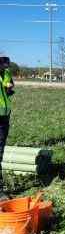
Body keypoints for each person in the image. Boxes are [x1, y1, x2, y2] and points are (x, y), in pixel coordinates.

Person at [0, 56, 14, 201]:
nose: (5, 67)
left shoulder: (5, 74)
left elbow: (7, 91)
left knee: (0, 151)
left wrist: (9, 87)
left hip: (4, 117)